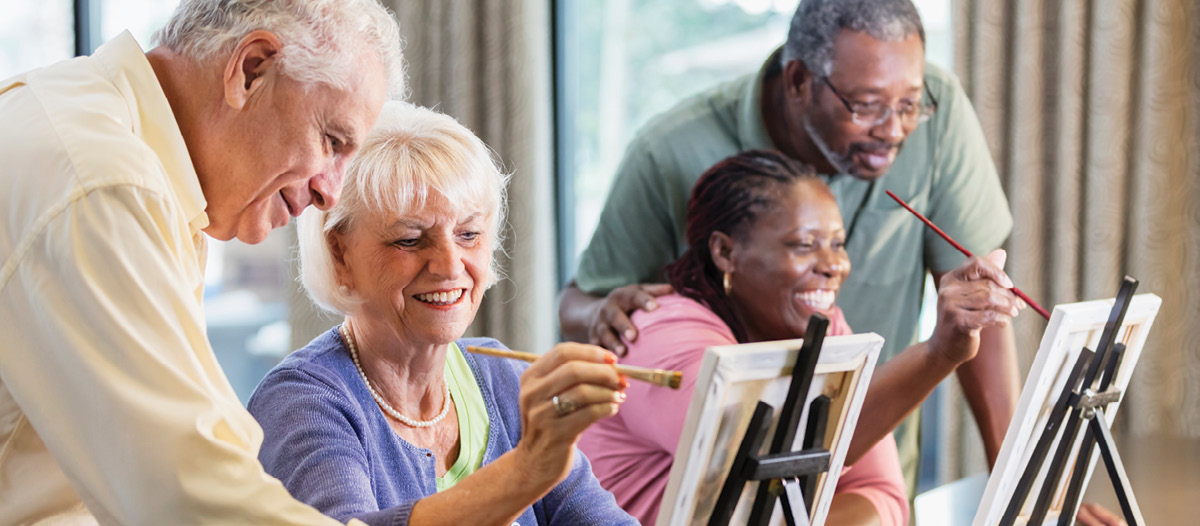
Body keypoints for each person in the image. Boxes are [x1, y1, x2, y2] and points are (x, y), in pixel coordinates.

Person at [558, 0, 1020, 491]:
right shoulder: (668, 152)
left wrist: (1019, 483)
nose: (893, 130)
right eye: (865, 106)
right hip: (717, 482)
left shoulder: (934, 108)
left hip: (869, 445)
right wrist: (602, 313)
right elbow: (578, 303)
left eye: (908, 106)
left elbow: (978, 305)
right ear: (799, 81)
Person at [0, 0, 403, 523]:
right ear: (251, 70)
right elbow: (186, 494)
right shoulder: (104, 181)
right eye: (331, 141)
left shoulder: (92, 124)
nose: (331, 192)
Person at [579, 150, 1026, 525]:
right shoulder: (659, 332)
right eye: (803, 245)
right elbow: (770, 456)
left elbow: (883, 497)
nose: (833, 265)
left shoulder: (821, 325)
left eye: (837, 243)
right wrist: (938, 353)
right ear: (725, 252)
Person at [247, 102, 638, 526]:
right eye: (410, 240)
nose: (450, 265)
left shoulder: (502, 379)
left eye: (468, 234)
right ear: (340, 253)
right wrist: (527, 470)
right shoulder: (302, 401)